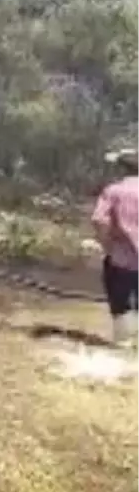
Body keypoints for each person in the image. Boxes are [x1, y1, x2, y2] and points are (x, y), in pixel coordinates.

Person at [91, 148, 139, 348]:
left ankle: (124, 341)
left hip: (121, 257)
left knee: (119, 299)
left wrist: (107, 244)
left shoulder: (113, 191)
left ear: (122, 168)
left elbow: (99, 220)